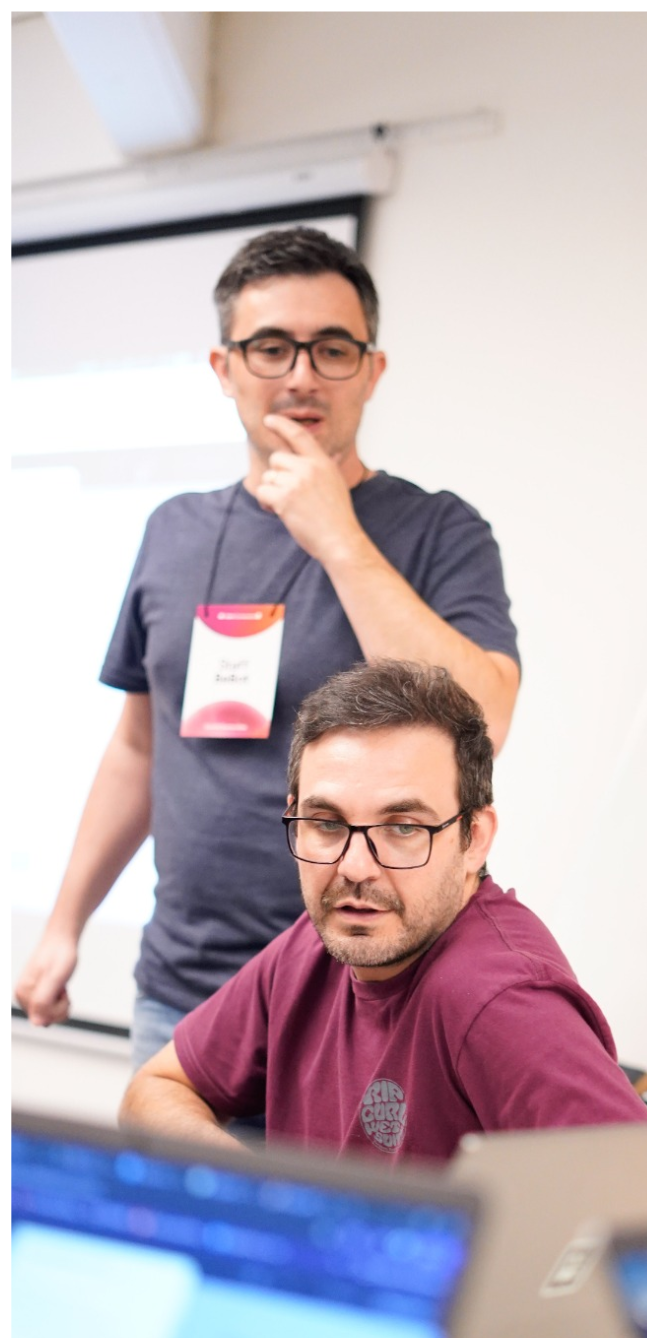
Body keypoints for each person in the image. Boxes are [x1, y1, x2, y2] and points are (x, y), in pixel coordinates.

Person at [16, 227, 522, 1064]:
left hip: (365, 999)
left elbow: (484, 721)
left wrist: (338, 537)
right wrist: (64, 924)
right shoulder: (174, 529)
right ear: (225, 368)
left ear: (372, 370)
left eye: (332, 349)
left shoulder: (438, 530)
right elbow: (138, 749)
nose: (300, 375)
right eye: (271, 347)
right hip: (180, 995)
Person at [119, 660, 647, 1162]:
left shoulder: (499, 1000)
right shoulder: (318, 943)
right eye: (327, 824)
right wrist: (266, 1198)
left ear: (474, 837)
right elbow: (156, 1089)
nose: (355, 868)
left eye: (402, 828)